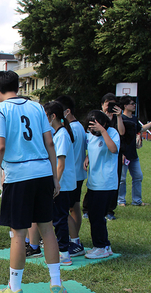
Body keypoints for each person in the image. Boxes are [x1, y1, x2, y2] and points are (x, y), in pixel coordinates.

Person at [0, 70, 65, 293]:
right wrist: (55, 178)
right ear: (18, 86)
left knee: (19, 233)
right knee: (47, 228)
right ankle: (56, 286)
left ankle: (15, 290)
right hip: (43, 174)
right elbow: (49, 142)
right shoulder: (37, 107)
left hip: (18, 176)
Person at [83, 110, 120, 259]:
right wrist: (87, 157)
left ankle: (101, 246)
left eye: (95, 126)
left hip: (105, 183)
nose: (93, 130)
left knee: (97, 216)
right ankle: (104, 245)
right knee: (92, 214)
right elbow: (94, 148)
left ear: (104, 123)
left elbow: (113, 149)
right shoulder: (91, 135)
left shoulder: (111, 132)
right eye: (90, 127)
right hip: (93, 182)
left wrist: (103, 131)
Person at [44, 101, 76, 266]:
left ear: (53, 116)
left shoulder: (62, 134)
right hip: (61, 184)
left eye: (46, 115)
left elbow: (61, 163)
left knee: (60, 218)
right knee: (59, 217)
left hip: (63, 184)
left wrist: (56, 183)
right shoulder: (58, 132)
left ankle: (64, 252)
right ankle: (63, 248)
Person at [55, 95, 87, 257]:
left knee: (66, 211)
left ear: (66, 112)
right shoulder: (78, 126)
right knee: (71, 209)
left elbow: (63, 157)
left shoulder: (68, 130)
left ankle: (74, 241)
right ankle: (74, 240)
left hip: (68, 176)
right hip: (74, 175)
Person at [118, 96, 151, 207]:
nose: (134, 105)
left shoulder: (134, 118)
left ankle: (137, 200)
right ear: (125, 106)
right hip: (123, 153)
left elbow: (141, 129)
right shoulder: (120, 118)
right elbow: (120, 135)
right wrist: (121, 153)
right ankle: (121, 200)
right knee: (122, 179)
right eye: (132, 103)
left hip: (133, 154)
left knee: (138, 176)